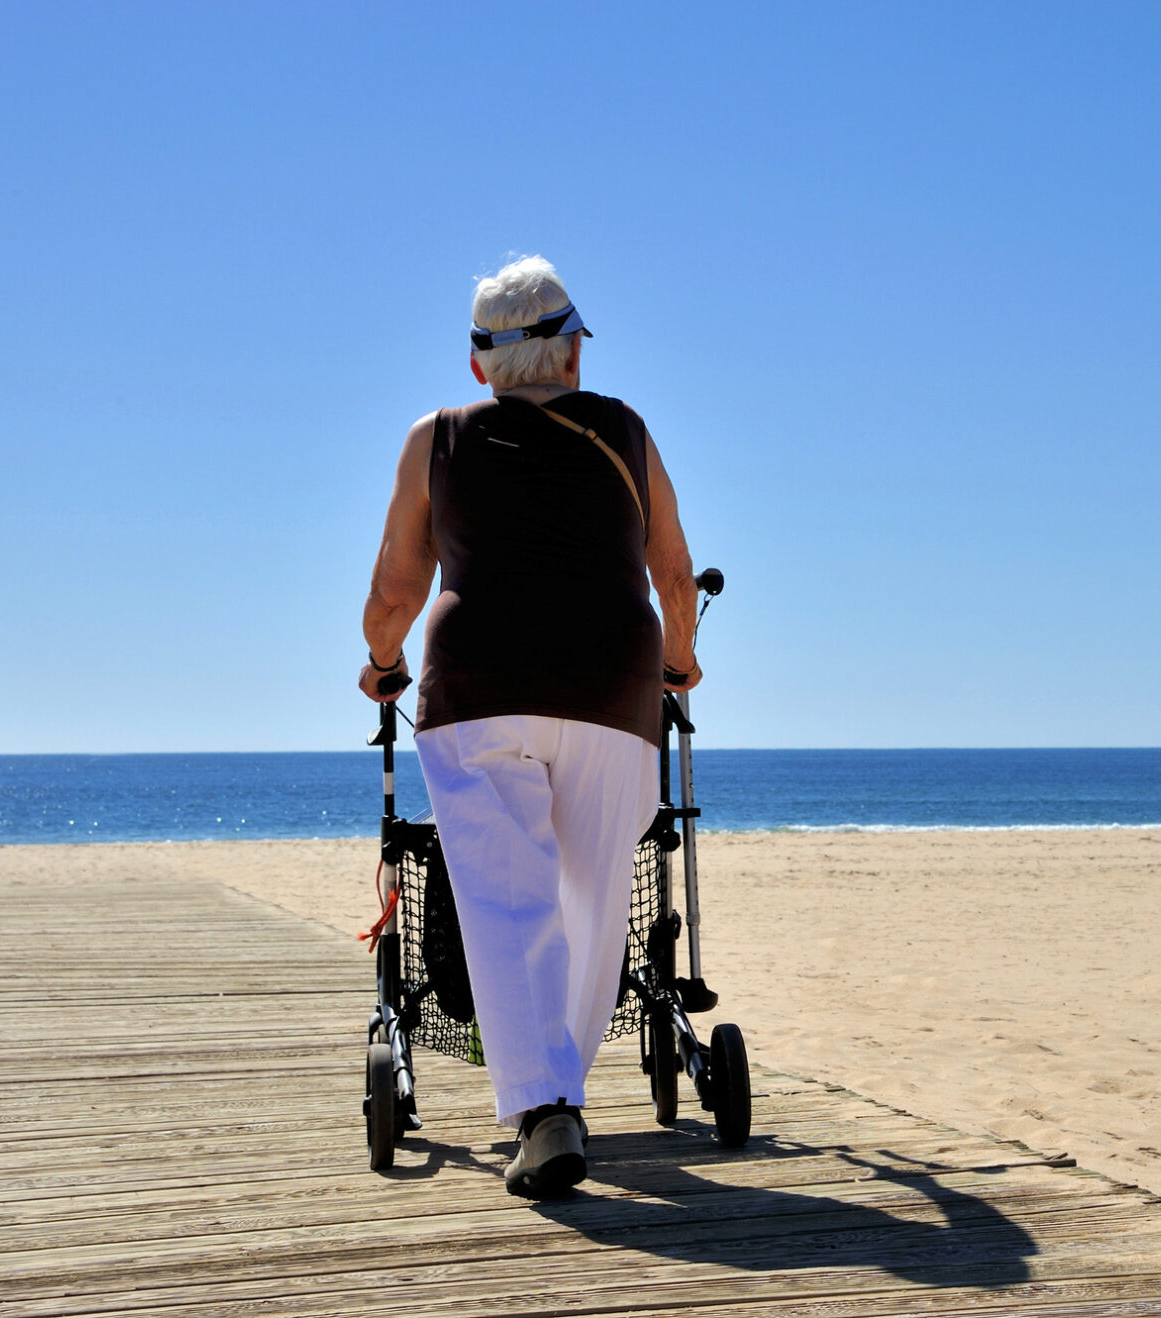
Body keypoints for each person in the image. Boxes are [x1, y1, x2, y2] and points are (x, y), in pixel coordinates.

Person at [358, 255, 701, 1198]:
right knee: (597, 894)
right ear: (574, 355)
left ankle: (547, 1109)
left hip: (476, 687)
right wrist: (682, 659)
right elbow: (674, 574)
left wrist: (381, 664)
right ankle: (561, 1092)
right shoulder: (626, 433)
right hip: (612, 688)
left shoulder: (437, 440)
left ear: (479, 367)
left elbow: (394, 588)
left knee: (507, 899)